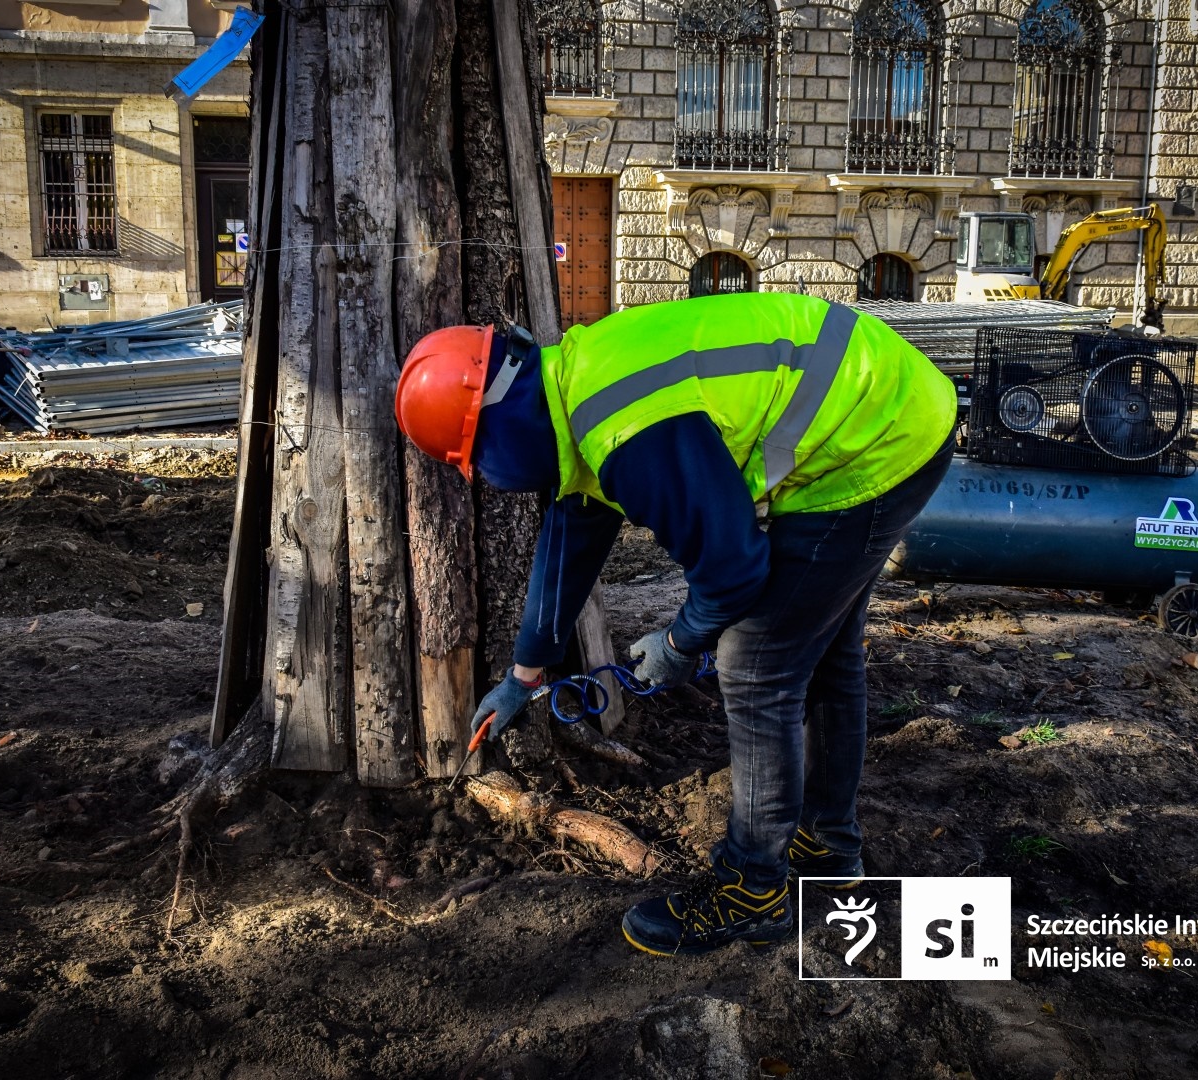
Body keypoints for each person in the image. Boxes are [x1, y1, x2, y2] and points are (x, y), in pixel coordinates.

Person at [394, 292, 956, 957]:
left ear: (495, 433)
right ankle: (828, 845)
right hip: (891, 399)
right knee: (823, 649)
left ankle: (754, 892)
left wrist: (676, 643)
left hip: (876, 441)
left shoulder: (623, 430)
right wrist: (524, 673)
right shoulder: (576, 382)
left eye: (475, 465)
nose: (487, 480)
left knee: (755, 665)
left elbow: (732, 573)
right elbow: (569, 534)